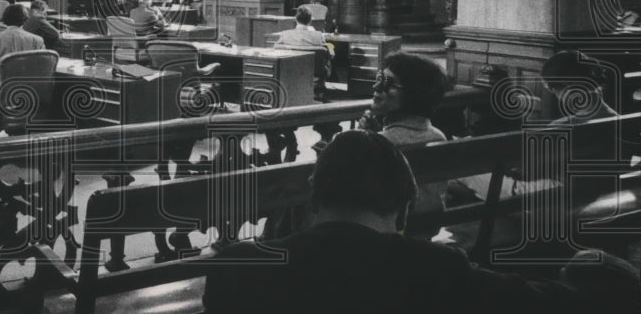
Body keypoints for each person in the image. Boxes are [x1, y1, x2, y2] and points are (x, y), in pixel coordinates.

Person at [203, 130, 639, 314]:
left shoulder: (238, 266)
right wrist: (595, 269)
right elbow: (542, 304)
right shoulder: (435, 267)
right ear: (405, 202)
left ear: (314, 197)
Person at [358, 51, 447, 238]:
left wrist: (362, 138)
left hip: (382, 239)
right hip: (425, 232)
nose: (376, 86)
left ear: (414, 94)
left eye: (388, 83)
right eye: (379, 79)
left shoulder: (375, 143)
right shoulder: (438, 136)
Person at [541, 49, 618, 125]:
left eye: (554, 91)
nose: (559, 99)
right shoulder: (619, 119)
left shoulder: (560, 126)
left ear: (567, 85)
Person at [0, 3, 45, 84]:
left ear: (5, 18)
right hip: (30, 91)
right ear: (25, 19)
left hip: (5, 91)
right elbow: (43, 70)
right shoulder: (38, 40)